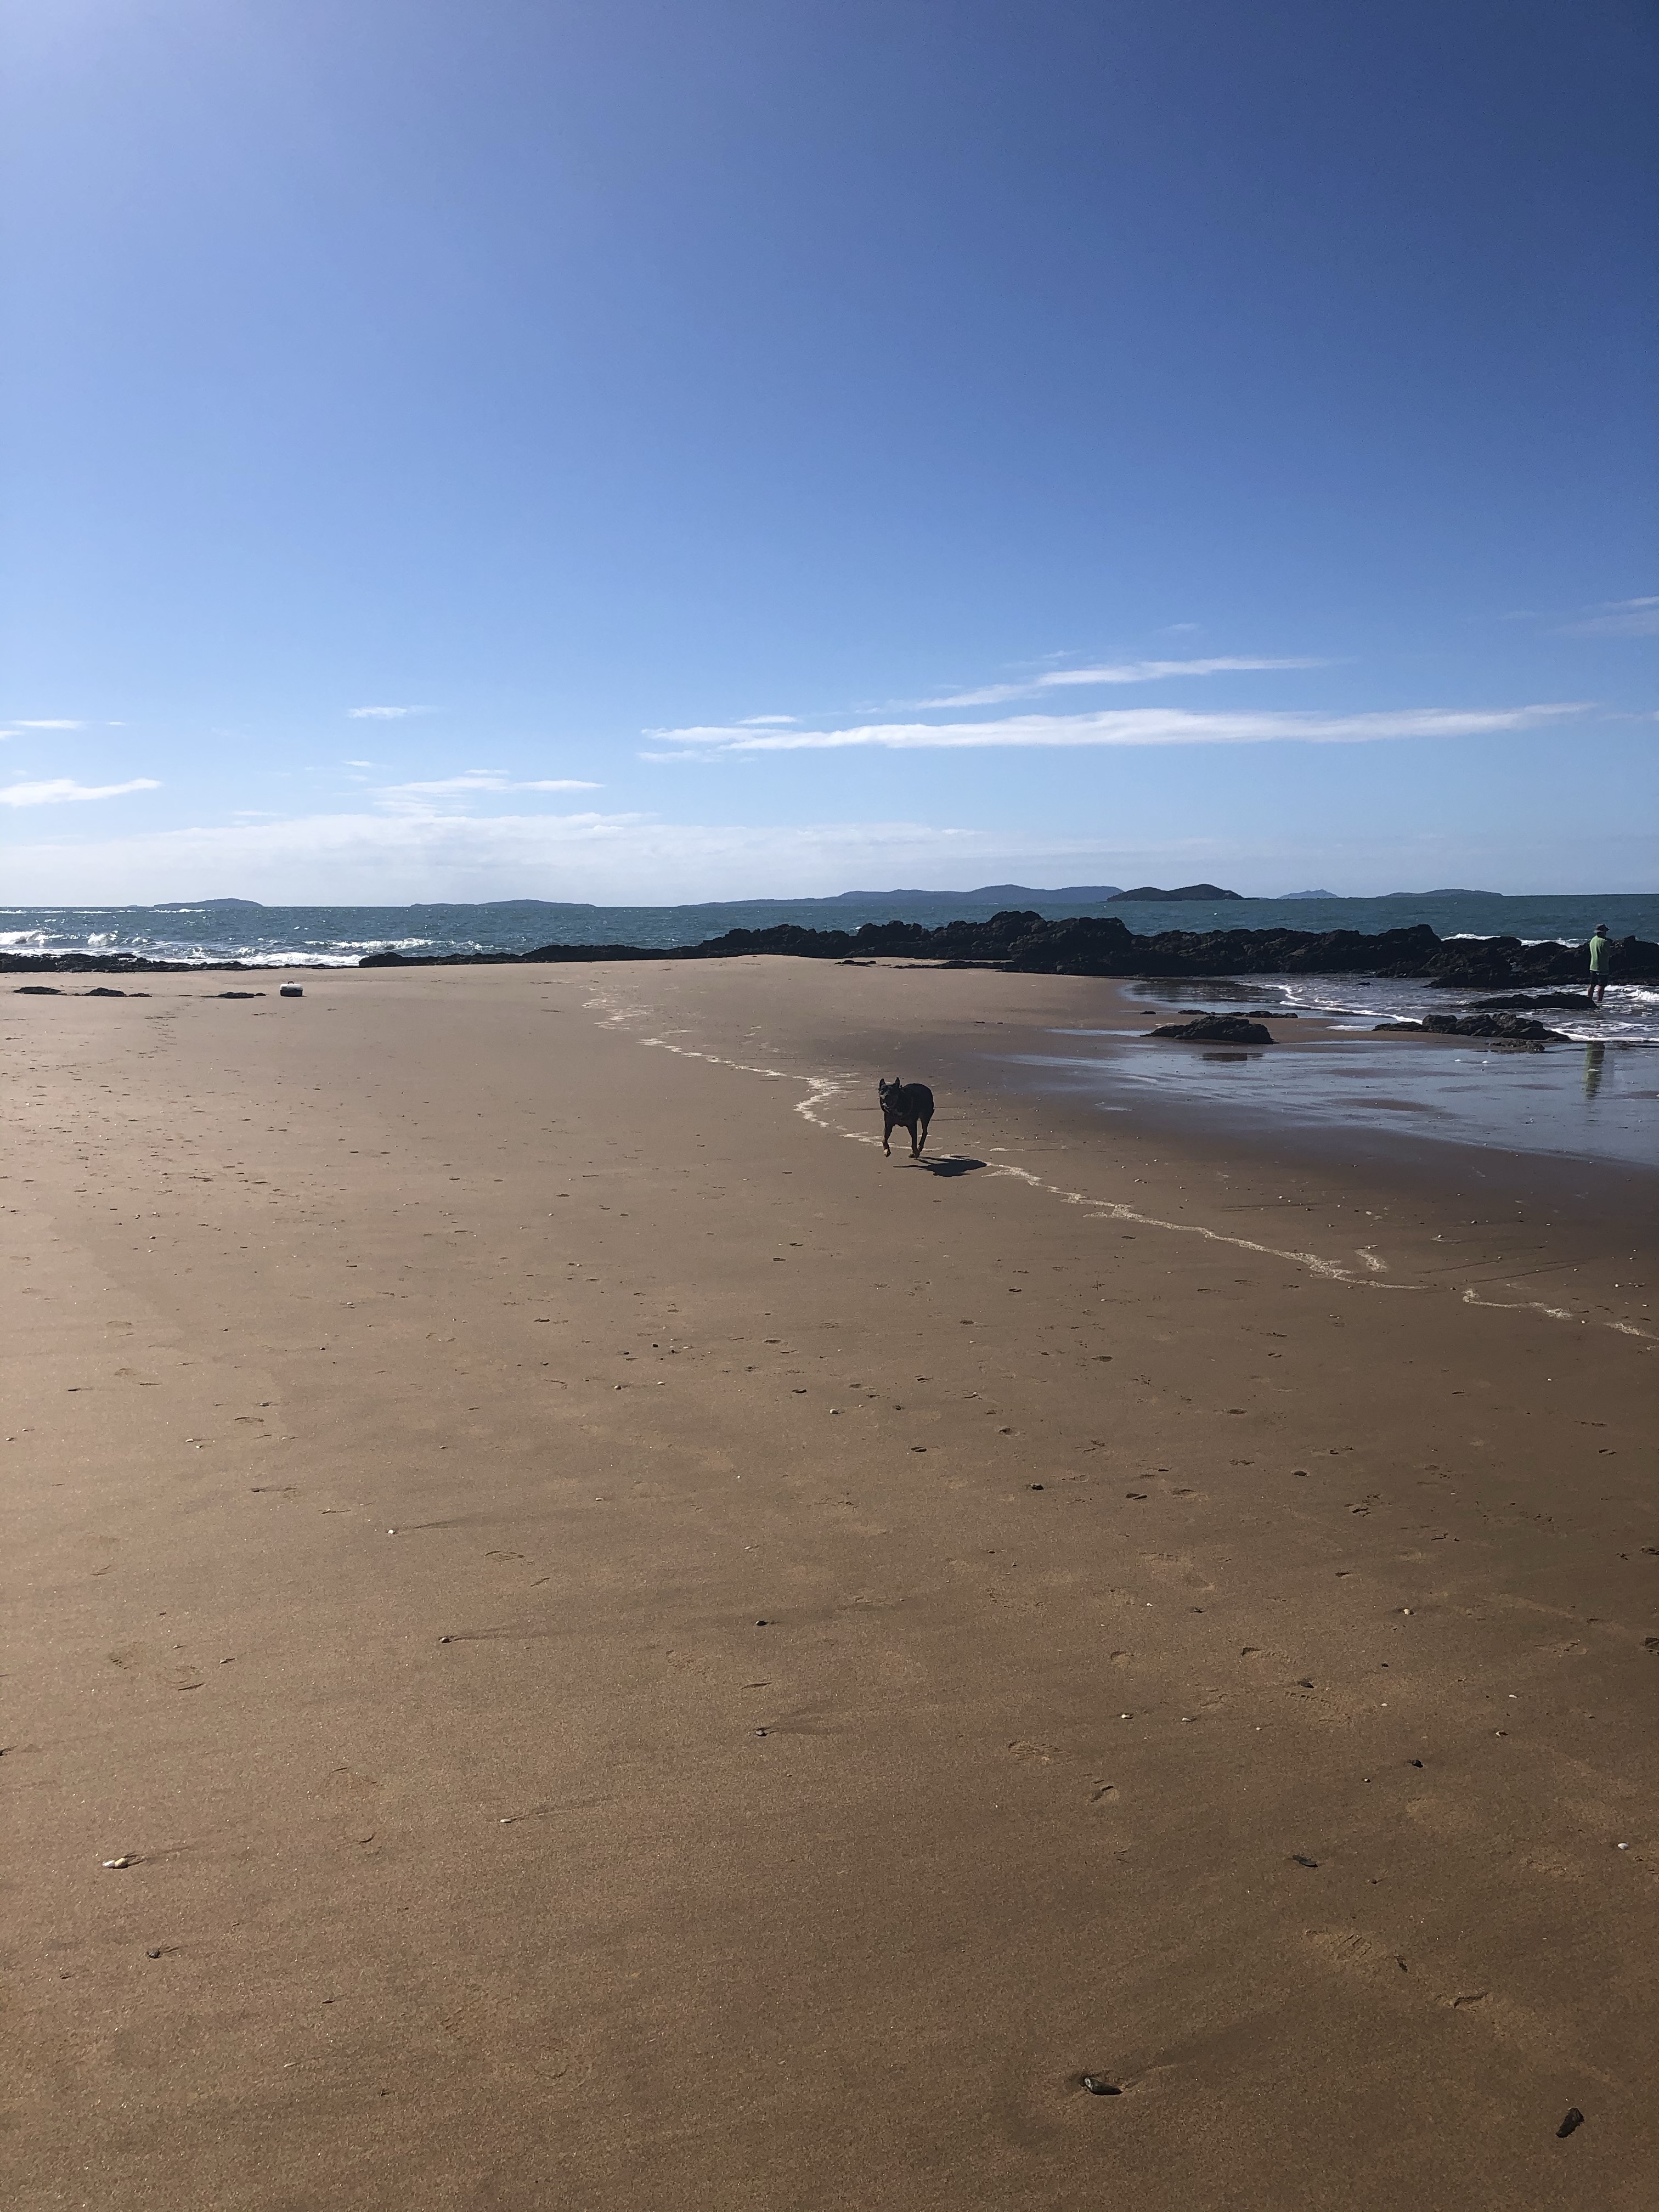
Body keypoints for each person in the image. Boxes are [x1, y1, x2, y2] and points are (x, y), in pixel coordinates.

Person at [1587, 923, 1613, 1007]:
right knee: (1602, 986)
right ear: (1603, 932)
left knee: (1592, 984)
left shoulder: (1593, 940)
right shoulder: (1605, 942)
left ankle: (1589, 1000)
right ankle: (1599, 1002)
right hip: (1603, 967)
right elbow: (1610, 953)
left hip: (1593, 966)